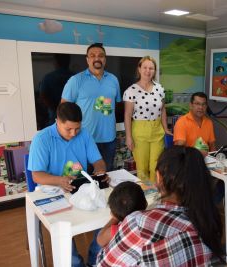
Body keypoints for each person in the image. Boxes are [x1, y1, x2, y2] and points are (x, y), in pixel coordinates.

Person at [97, 146, 224, 266]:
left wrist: (116, 216)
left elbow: (104, 263)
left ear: (158, 177)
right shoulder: (208, 221)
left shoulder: (138, 222)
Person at [28, 102, 107, 267]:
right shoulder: (42, 139)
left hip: (80, 189)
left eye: (77, 128)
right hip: (54, 190)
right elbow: (37, 175)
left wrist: (100, 171)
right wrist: (59, 180)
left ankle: (94, 258)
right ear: (57, 121)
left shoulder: (84, 134)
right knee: (63, 228)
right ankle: (75, 263)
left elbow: (98, 161)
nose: (73, 133)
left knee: (109, 214)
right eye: (68, 129)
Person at [62, 43, 121, 172]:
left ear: (105, 59)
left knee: (105, 178)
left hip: (109, 140)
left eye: (100, 55)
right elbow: (64, 109)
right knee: (83, 179)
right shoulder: (76, 80)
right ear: (87, 59)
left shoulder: (113, 80)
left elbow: (114, 105)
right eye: (92, 55)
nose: (97, 58)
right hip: (83, 139)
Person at [123, 56, 171, 182]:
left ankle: (155, 195)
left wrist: (165, 128)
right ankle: (145, 196)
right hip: (139, 131)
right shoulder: (131, 91)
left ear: (154, 71)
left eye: (151, 68)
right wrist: (128, 137)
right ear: (139, 69)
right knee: (142, 168)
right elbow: (127, 115)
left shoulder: (159, 88)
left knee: (156, 166)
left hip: (157, 130)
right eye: (145, 67)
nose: (148, 71)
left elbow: (163, 109)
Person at [96, 181, 147, 247]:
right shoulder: (149, 220)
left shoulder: (119, 230)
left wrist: (115, 218)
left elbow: (100, 240)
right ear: (145, 204)